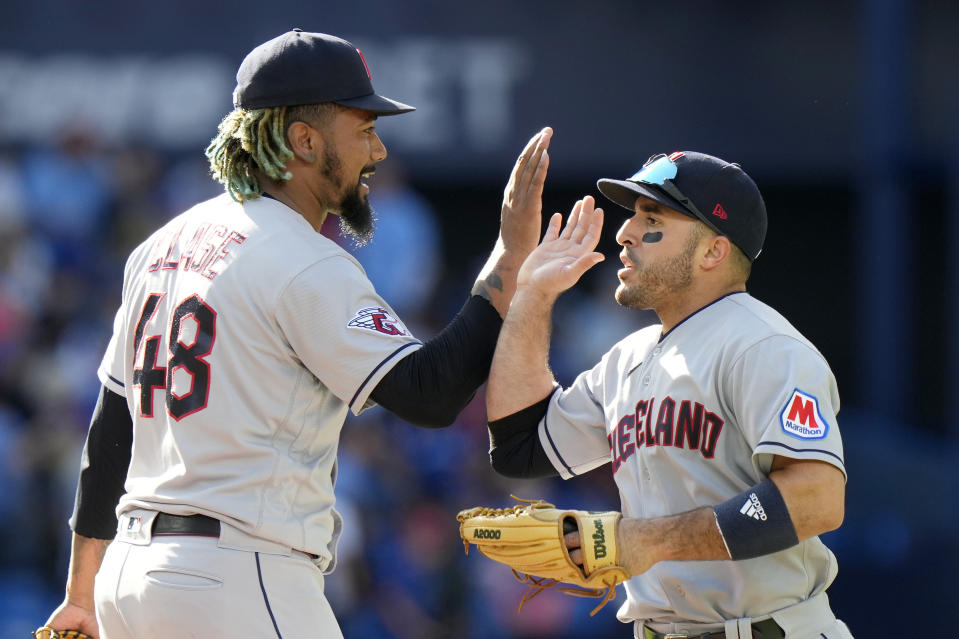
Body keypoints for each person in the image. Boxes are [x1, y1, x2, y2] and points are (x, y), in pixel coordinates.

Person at [41, 29, 552, 639]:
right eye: (363, 129)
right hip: (237, 577)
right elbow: (431, 393)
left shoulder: (159, 246)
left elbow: (110, 431)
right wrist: (508, 258)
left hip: (129, 579)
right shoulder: (304, 260)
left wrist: (81, 592)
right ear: (304, 140)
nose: (379, 150)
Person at [484, 151, 853, 638]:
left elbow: (817, 500)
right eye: (634, 214)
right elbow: (518, 448)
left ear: (712, 252)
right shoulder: (627, 358)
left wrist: (647, 540)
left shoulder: (764, 346)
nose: (625, 232)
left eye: (652, 218)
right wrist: (532, 295)